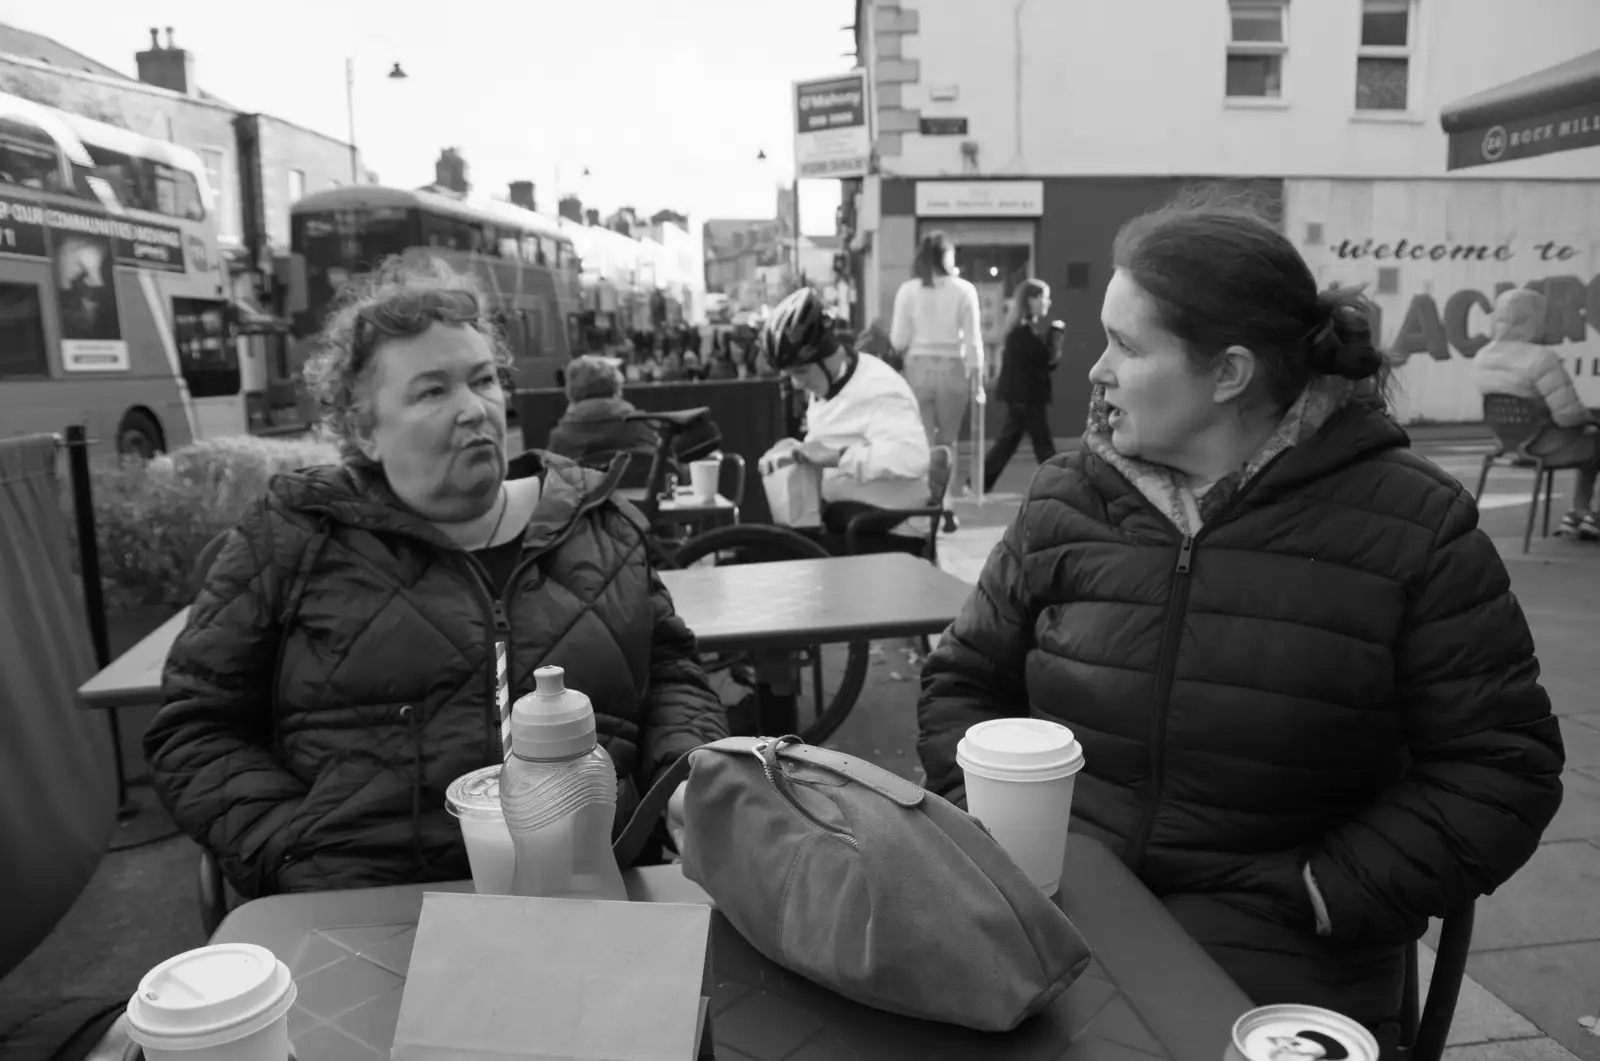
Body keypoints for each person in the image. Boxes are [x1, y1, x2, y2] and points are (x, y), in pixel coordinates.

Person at [916, 202, 1564, 1035]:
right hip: (1050, 905)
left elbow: (1502, 768)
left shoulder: (1414, 525)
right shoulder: (1066, 498)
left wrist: (1327, 892)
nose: (1096, 370)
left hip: (1281, 946)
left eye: (1128, 344)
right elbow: (962, 679)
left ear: (1228, 373)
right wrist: (988, 829)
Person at [145, 258, 727, 898]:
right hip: (362, 903)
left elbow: (671, 673)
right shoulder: (293, 536)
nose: (474, 409)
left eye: (484, 380)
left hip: (598, 890)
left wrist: (684, 781)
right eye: (432, 391)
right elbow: (195, 728)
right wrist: (287, 848)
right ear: (365, 431)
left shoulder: (600, 523)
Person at [761, 286, 931, 554]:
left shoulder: (878, 388)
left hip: (888, 533)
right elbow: (836, 438)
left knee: (778, 559)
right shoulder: (828, 386)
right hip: (848, 522)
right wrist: (799, 450)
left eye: (802, 371)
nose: (797, 382)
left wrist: (838, 456)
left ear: (829, 355)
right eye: (790, 374)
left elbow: (912, 458)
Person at [1473, 287, 1600, 540]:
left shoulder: (1483, 356)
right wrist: (1590, 419)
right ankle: (1584, 513)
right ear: (1533, 319)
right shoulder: (1541, 359)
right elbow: (1568, 416)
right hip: (1545, 446)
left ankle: (1579, 513)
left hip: (1506, 443)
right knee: (1595, 441)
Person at [891, 231, 985, 531]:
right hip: (953, 369)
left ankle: (928, 501)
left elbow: (898, 339)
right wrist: (978, 380)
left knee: (925, 441)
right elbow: (973, 341)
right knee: (948, 442)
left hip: (917, 368)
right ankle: (947, 504)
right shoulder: (964, 291)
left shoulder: (908, 291)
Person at [983, 279, 1061, 492]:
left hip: (1024, 397)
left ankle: (979, 482)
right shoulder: (1022, 332)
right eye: (1044, 297)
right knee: (1040, 444)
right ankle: (1059, 484)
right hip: (1027, 398)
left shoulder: (1023, 330)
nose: (1047, 302)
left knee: (1010, 443)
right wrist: (1055, 337)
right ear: (1031, 300)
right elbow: (1046, 360)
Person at [544, 354, 659, 468]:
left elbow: (550, 480)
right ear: (617, 385)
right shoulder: (646, 428)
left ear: (570, 391)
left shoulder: (560, 439)